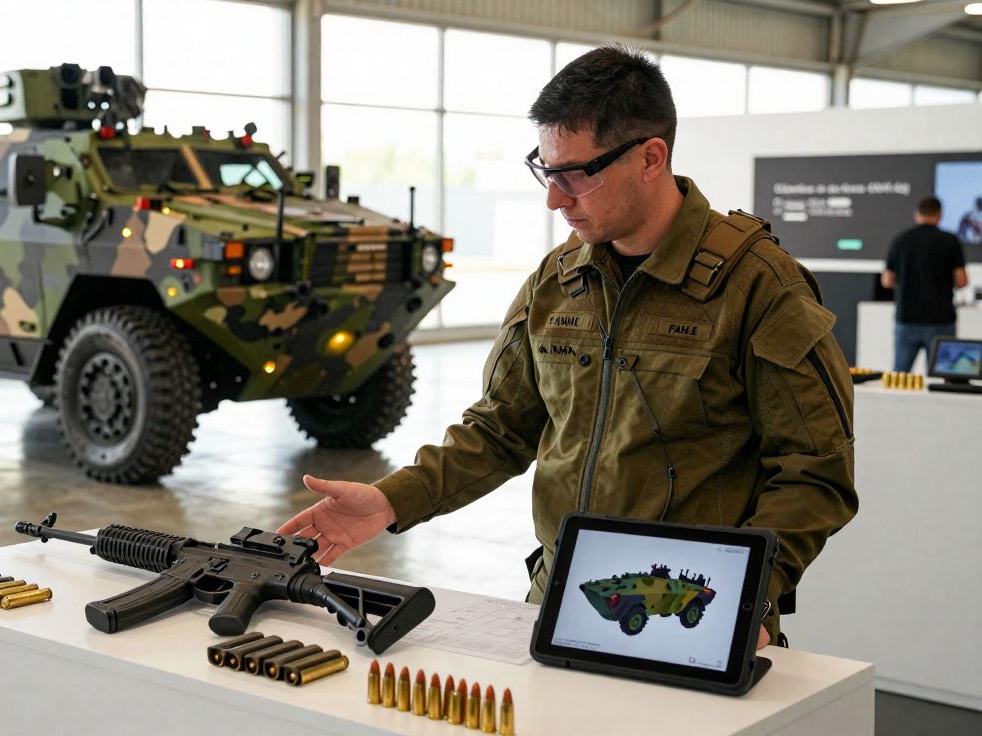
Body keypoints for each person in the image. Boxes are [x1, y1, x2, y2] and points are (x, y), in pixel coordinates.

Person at [278, 45, 857, 649]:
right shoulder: (558, 282)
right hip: (565, 593)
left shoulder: (758, 286)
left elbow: (815, 473)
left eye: (576, 175)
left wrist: (751, 595)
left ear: (650, 157)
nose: (555, 199)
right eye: (546, 171)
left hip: (689, 603)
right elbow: (502, 428)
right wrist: (389, 500)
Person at [881, 196, 969, 373]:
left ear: (917, 214)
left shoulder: (900, 240)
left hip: (907, 318)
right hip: (941, 320)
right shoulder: (950, 241)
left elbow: (887, 281)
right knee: (944, 377)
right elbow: (961, 281)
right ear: (939, 215)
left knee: (899, 377)